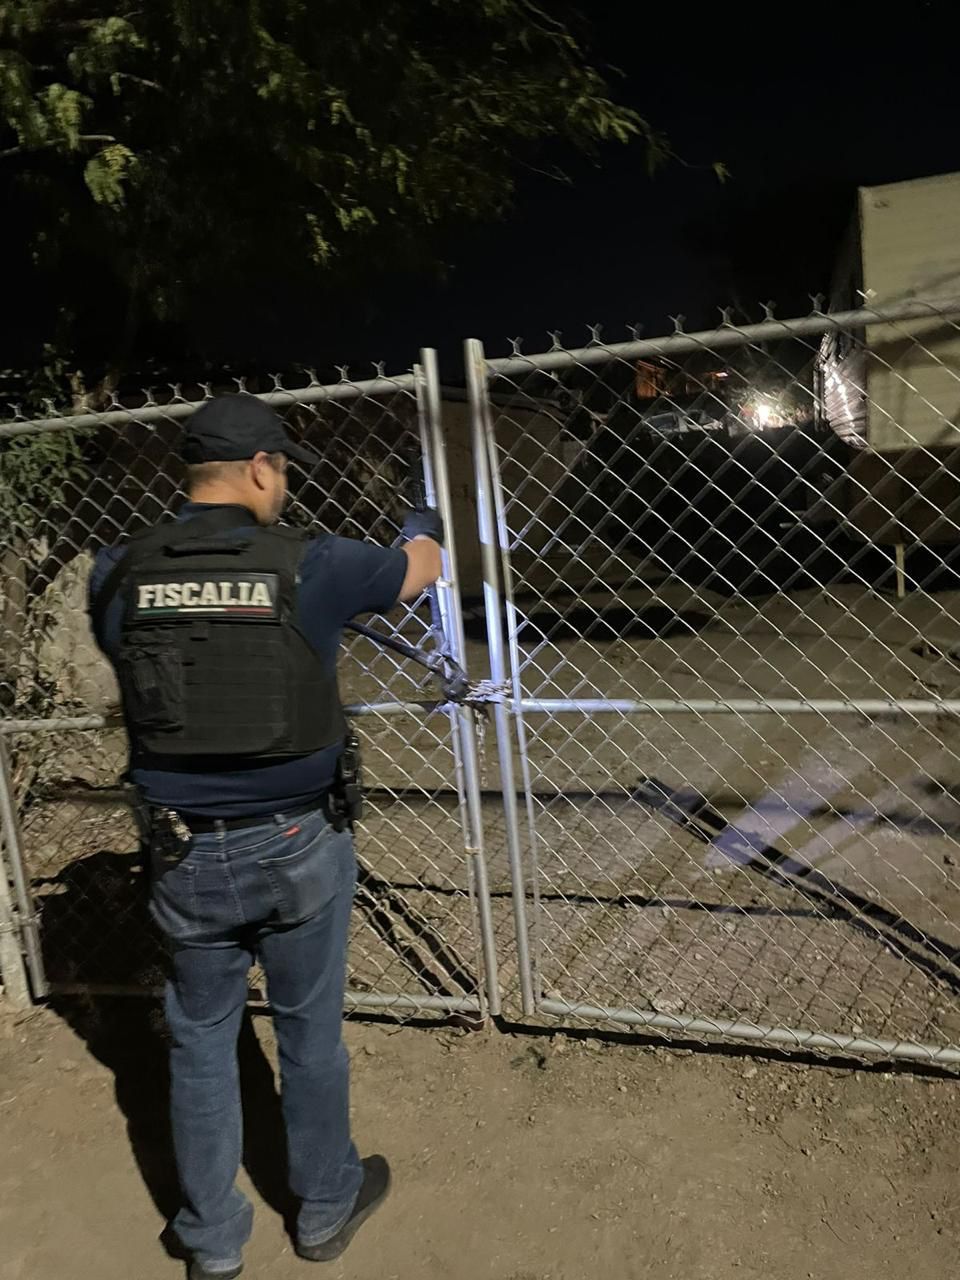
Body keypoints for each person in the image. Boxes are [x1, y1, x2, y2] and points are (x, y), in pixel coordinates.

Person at [87, 395, 444, 1280]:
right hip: (295, 842)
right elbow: (418, 572)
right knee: (309, 1034)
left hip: (181, 851)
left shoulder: (117, 573)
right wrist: (425, 520)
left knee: (200, 1040)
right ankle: (323, 1209)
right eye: (283, 470)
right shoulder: (313, 564)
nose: (285, 487)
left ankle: (212, 1242)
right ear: (259, 468)